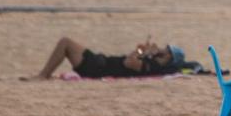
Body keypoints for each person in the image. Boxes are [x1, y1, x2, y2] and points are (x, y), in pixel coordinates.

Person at [30, 37, 178, 81]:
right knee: (66, 43)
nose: (161, 49)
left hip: (98, 67)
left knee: (65, 43)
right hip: (100, 62)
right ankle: (44, 74)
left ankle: (43, 75)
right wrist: (143, 51)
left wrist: (140, 52)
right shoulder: (151, 61)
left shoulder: (151, 66)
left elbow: (129, 62)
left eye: (166, 50)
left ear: (169, 56)